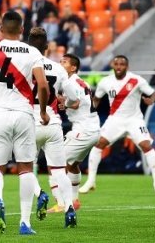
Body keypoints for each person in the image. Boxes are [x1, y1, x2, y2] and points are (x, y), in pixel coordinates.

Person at [0, 11, 49, 235]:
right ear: (22, 30)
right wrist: (42, 110)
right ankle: (25, 223)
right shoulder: (32, 51)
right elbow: (42, 86)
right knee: (25, 168)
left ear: (1, 29)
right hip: (24, 114)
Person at [79, 55, 155, 195]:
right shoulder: (105, 81)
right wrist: (89, 114)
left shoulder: (136, 80)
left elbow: (153, 93)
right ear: (113, 65)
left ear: (127, 66)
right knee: (98, 144)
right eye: (116, 64)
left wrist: (152, 100)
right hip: (115, 120)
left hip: (134, 120)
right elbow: (96, 99)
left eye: (122, 64)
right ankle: (90, 181)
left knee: (146, 146)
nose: (119, 67)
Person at [27, 27, 77, 228]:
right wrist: (63, 100)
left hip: (28, 119)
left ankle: (40, 193)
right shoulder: (58, 68)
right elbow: (73, 96)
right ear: (47, 47)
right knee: (59, 171)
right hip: (52, 121)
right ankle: (69, 208)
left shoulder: (22, 64)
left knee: (26, 168)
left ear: (28, 45)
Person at [55, 53, 100, 211]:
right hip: (91, 128)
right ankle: (74, 200)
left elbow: (75, 102)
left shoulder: (70, 82)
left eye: (64, 62)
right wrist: (66, 103)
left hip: (84, 130)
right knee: (73, 165)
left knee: (58, 164)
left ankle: (62, 203)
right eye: (60, 61)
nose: (61, 64)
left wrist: (64, 103)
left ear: (73, 67)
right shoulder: (81, 82)